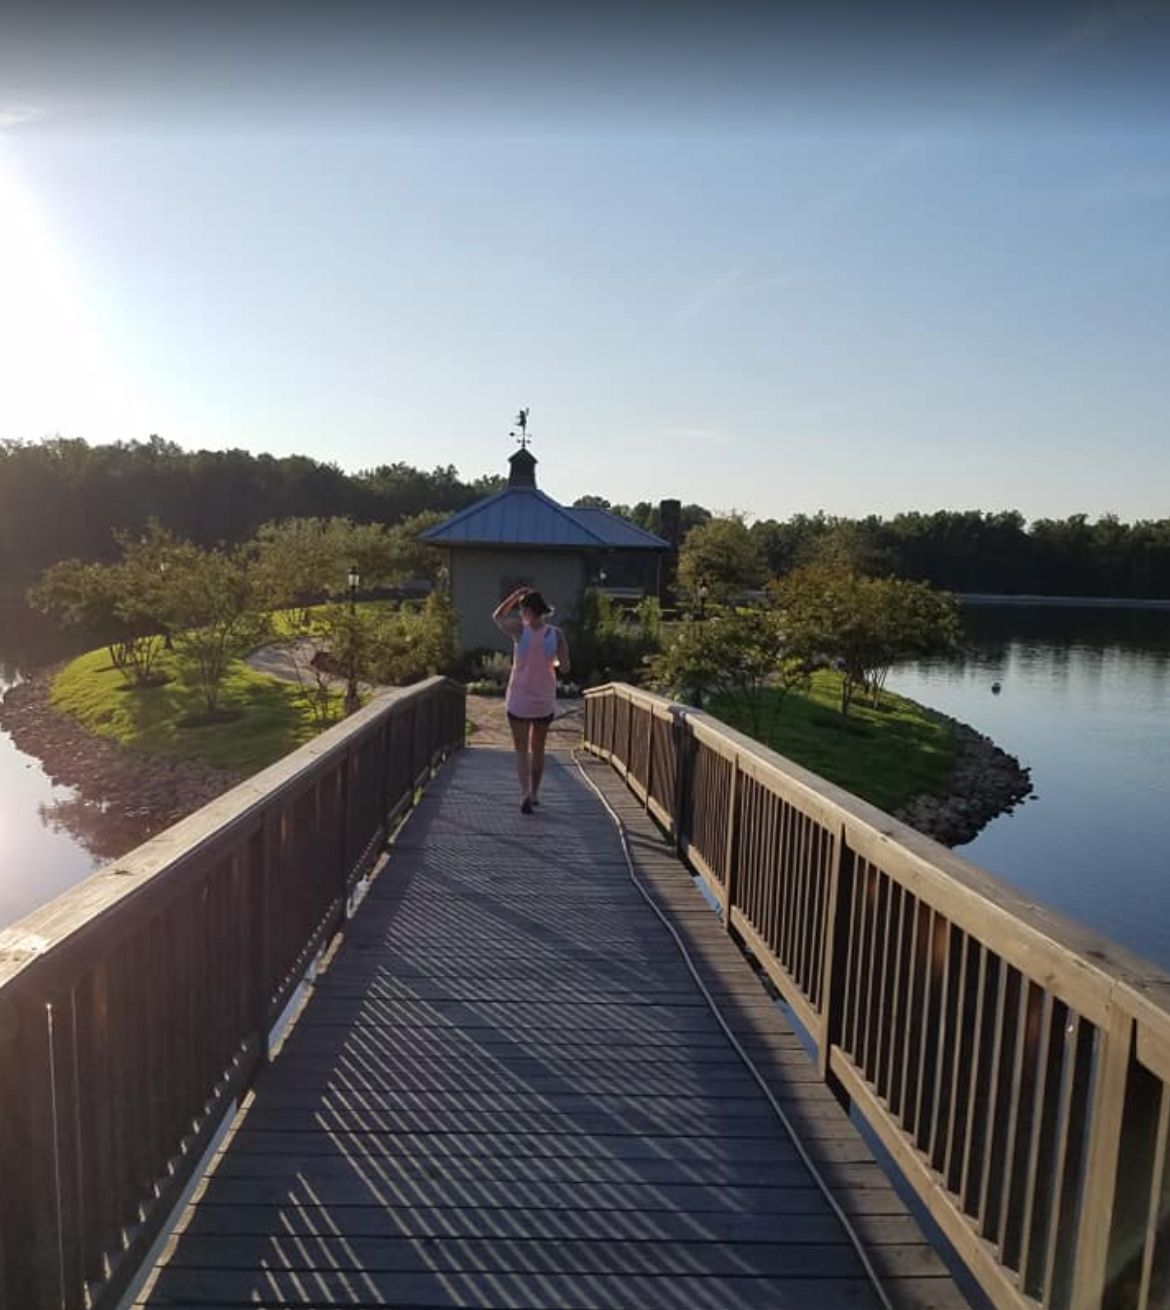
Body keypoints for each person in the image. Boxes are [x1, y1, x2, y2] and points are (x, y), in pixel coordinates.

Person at [492, 586, 570, 814]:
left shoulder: (519, 631)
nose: (519, 614)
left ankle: (524, 793)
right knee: (538, 749)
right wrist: (554, 660)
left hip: (519, 699)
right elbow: (565, 668)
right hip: (543, 700)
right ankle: (535, 793)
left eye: (521, 609)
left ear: (527, 610)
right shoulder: (556, 634)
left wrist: (514, 596)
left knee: (521, 751)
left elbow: (497, 616)